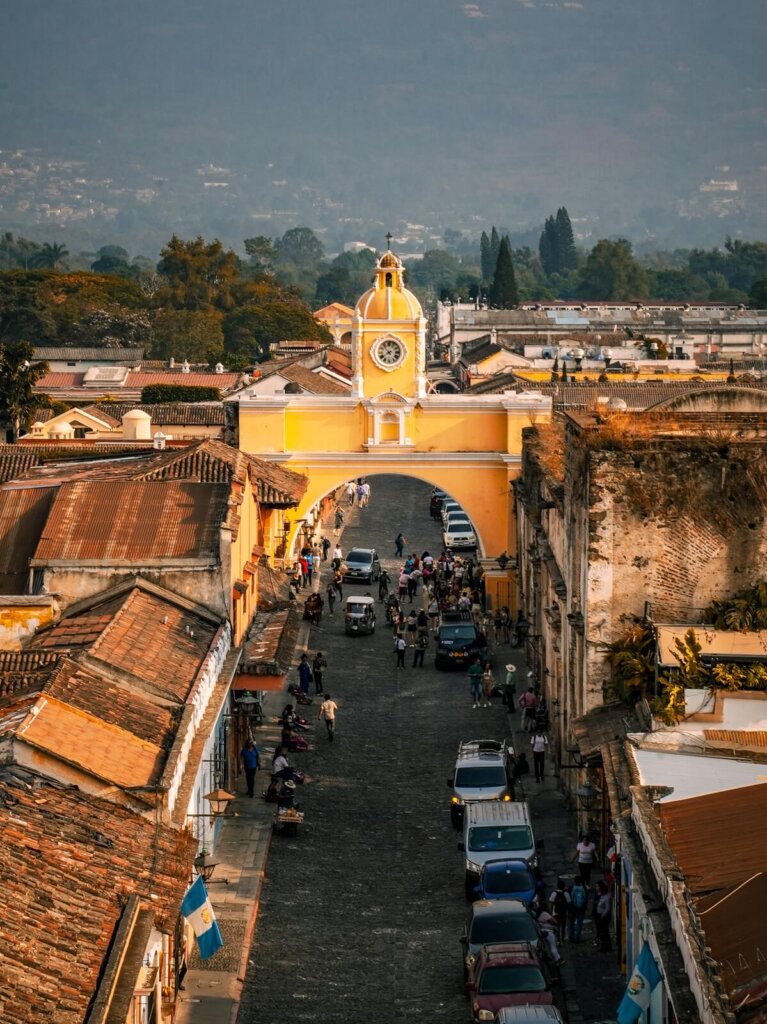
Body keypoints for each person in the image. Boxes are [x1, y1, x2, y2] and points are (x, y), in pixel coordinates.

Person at [568, 874, 589, 943]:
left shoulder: (571, 888)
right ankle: (577, 938)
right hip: (581, 909)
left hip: (573, 908)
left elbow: (569, 899)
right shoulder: (584, 888)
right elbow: (586, 899)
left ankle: (571, 937)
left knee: (571, 923)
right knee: (579, 924)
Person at [549, 878, 570, 943]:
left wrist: (551, 913)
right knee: (563, 926)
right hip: (564, 913)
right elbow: (569, 903)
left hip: (556, 912)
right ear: (563, 886)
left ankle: (558, 939)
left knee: (558, 926)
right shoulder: (566, 893)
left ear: (557, 886)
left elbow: (551, 903)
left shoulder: (554, 893)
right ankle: (563, 938)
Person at [594, 880, 612, 951]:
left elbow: (607, 908)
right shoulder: (601, 895)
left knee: (604, 932)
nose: (596, 888)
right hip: (599, 915)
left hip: (604, 916)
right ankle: (605, 946)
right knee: (603, 931)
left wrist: (602, 916)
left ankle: (605, 947)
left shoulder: (606, 897)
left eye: (597, 886)